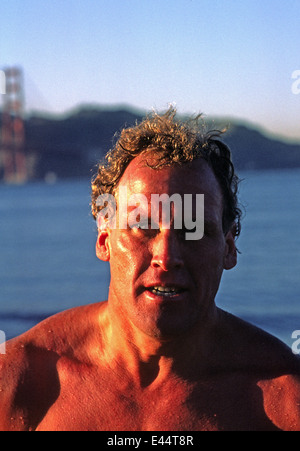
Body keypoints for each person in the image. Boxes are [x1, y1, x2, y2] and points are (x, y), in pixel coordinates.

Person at [0, 107, 300, 431]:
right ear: (104, 240)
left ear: (228, 248)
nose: (166, 256)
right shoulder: (20, 381)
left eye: (194, 229)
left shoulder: (284, 400)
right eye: (142, 226)